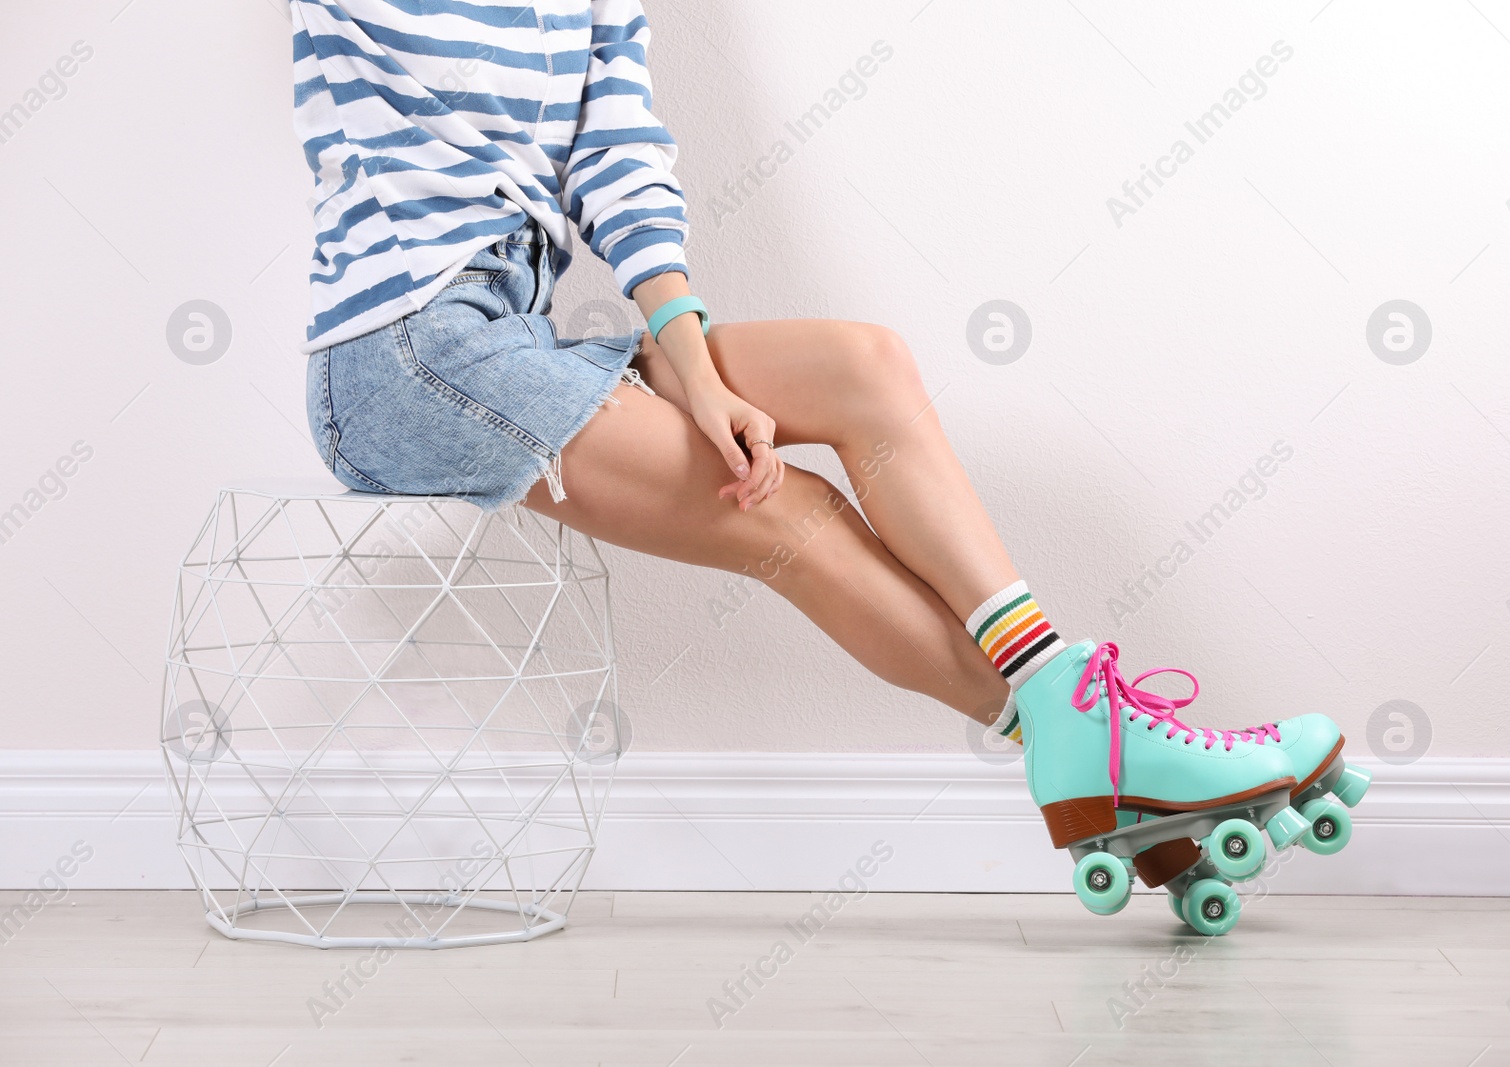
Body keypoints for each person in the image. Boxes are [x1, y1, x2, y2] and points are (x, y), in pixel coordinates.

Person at [294, 1, 1365, 931]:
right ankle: (1098, 748)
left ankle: (1073, 725)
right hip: (401, 351)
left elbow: (617, 160)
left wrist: (693, 364)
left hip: (512, 340)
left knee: (863, 366)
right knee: (784, 510)